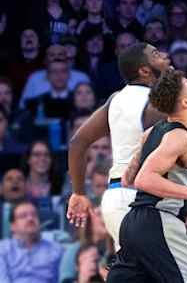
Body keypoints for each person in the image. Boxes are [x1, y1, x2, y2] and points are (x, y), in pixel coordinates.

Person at [106, 69, 187, 283]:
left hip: (133, 224)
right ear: (185, 102)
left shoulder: (153, 132)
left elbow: (129, 176)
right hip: (159, 222)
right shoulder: (179, 137)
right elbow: (143, 179)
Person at [66, 43, 170, 250]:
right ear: (144, 70)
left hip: (115, 197)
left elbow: (77, 143)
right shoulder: (157, 104)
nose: (165, 55)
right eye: (156, 54)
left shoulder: (116, 99)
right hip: (142, 199)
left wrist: (78, 192)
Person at [0, 201, 63, 283]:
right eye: (23, 216)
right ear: (12, 226)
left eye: (34, 215)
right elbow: (0, 280)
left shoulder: (56, 250)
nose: (30, 219)